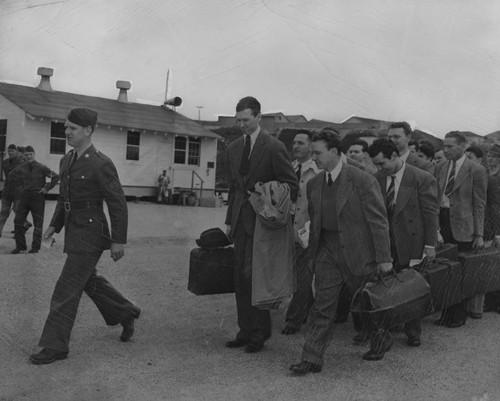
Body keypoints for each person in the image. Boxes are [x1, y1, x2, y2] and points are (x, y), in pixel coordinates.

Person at [29, 108, 140, 365]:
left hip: (91, 233)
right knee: (87, 282)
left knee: (66, 289)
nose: (66, 132)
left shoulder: (101, 163)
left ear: (88, 130)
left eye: (72, 128)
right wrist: (53, 227)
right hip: (74, 231)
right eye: (66, 127)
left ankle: (55, 345)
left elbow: (117, 203)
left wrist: (118, 239)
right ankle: (126, 311)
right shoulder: (66, 161)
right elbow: (64, 200)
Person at [289, 130, 392, 376]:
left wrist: (384, 258)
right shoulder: (314, 184)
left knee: (370, 303)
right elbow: (315, 222)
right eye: (312, 153)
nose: (313, 158)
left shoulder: (362, 179)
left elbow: (378, 221)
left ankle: (382, 337)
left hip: (359, 251)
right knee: (322, 306)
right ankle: (311, 358)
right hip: (327, 250)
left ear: (335, 152)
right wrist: (313, 255)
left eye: (318, 153)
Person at [224, 96, 299, 354]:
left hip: (264, 223)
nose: (241, 125)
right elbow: (234, 187)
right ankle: (245, 330)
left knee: (255, 276)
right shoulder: (233, 148)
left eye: (245, 120)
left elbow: (291, 185)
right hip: (239, 222)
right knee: (239, 278)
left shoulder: (274, 147)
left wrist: (266, 196)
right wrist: (228, 221)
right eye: (238, 121)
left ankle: (260, 332)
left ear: (258, 116)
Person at [368, 138, 439, 348]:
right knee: (385, 286)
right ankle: (386, 328)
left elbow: (430, 215)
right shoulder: (376, 178)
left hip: (412, 242)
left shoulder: (422, 178)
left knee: (411, 288)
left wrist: (430, 245)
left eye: (382, 163)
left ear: (393, 156)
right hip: (385, 243)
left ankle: (413, 331)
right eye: (376, 165)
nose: (379, 168)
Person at [434, 131, 487, 328]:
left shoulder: (475, 170)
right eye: (444, 146)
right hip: (443, 222)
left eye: (450, 146)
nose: (445, 150)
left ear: (463, 146)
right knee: (444, 269)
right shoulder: (439, 168)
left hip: (464, 226)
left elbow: (479, 204)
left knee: (460, 271)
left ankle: (458, 315)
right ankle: (447, 313)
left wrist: (479, 234)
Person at [282, 130, 320, 335]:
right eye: (294, 143)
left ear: (311, 146)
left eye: (301, 143)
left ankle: (293, 319)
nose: (295, 146)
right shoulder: (289, 168)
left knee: (303, 277)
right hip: (288, 230)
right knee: (295, 276)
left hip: (307, 231)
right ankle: (305, 310)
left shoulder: (318, 171)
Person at [11, 145, 59, 254]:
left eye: (30, 154)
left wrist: (46, 188)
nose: (28, 156)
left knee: (38, 223)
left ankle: (35, 247)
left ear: (34, 154)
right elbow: (12, 176)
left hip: (37, 197)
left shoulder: (42, 167)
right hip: (24, 197)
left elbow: (56, 177)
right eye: (26, 155)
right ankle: (20, 246)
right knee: (18, 220)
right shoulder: (21, 168)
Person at [0, 144, 23, 237]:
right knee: (3, 212)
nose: (10, 153)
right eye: (9, 151)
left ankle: (18, 233)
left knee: (18, 213)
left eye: (12, 151)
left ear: (17, 152)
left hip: (18, 191)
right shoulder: (5, 162)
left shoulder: (21, 163)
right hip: (7, 191)